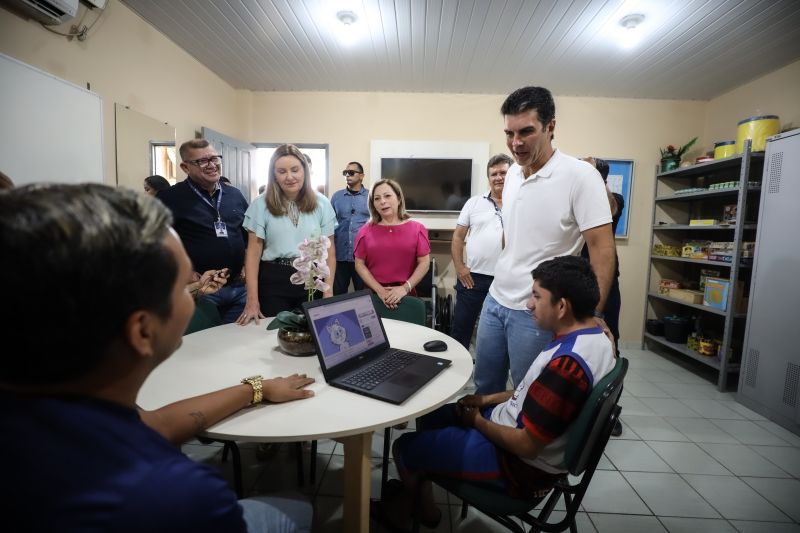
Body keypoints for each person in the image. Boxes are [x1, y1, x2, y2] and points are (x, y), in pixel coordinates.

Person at [0, 183, 315, 532]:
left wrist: (256, 389)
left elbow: (155, 424)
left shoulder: (47, 403)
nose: (192, 293)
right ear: (143, 332)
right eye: (183, 286)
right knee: (297, 508)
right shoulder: (175, 496)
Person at [370, 256, 615, 531]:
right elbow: (534, 391)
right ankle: (420, 482)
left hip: (517, 467)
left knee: (404, 448)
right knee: (431, 417)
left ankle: (422, 512)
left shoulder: (567, 366)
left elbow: (526, 445)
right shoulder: (597, 336)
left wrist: (476, 421)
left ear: (561, 306)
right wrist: (485, 400)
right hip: (513, 429)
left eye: (536, 296)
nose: (529, 304)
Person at [474, 86, 615, 395]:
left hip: (538, 309)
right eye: (509, 133)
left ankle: (518, 444)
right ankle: (485, 443)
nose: (516, 143)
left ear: (551, 127)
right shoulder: (511, 175)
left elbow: (602, 249)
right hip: (496, 299)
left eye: (526, 132)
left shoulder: (580, 176)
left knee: (531, 396)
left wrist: (593, 314)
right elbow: (512, 237)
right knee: (484, 386)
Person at [237, 144, 336, 324]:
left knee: (313, 336)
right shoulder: (260, 204)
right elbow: (252, 254)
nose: (289, 177)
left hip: (312, 279)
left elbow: (330, 254)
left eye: (295, 170)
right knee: (272, 336)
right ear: (274, 174)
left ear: (305, 171)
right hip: (273, 280)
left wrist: (328, 292)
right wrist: (252, 300)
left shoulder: (323, 204)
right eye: (282, 171)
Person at [157, 139, 249, 324]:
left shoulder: (235, 195)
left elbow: (247, 236)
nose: (212, 165)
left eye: (215, 158)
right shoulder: (169, 198)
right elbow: (158, 244)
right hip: (202, 291)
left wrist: (247, 265)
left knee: (238, 345)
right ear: (185, 167)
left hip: (239, 290)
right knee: (205, 347)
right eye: (202, 161)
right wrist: (186, 271)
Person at [450, 153, 513, 349]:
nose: (498, 177)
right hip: (473, 280)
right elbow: (458, 237)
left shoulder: (521, 202)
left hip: (508, 280)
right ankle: (454, 373)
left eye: (503, 173)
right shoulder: (474, 203)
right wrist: (460, 267)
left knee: (501, 333)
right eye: (493, 174)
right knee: (461, 329)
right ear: (488, 178)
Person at [582, 156, 625, 436]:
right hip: (576, 280)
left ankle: (609, 410)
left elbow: (609, 211)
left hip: (605, 283)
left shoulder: (614, 198)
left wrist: (595, 177)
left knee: (609, 342)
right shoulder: (577, 197)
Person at [354, 178, 430, 310]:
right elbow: (359, 264)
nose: (382, 201)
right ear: (373, 204)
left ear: (399, 199)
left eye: (387, 196)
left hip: (406, 295)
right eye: (377, 198)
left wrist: (404, 289)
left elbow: (424, 263)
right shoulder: (364, 231)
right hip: (374, 296)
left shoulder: (417, 229)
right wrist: (380, 290)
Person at [330, 161, 369, 294]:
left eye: (351, 172)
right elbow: (330, 224)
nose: (347, 175)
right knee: (338, 294)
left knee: (363, 294)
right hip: (340, 255)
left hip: (362, 256)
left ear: (361, 176)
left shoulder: (370, 197)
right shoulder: (337, 197)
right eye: (345, 173)